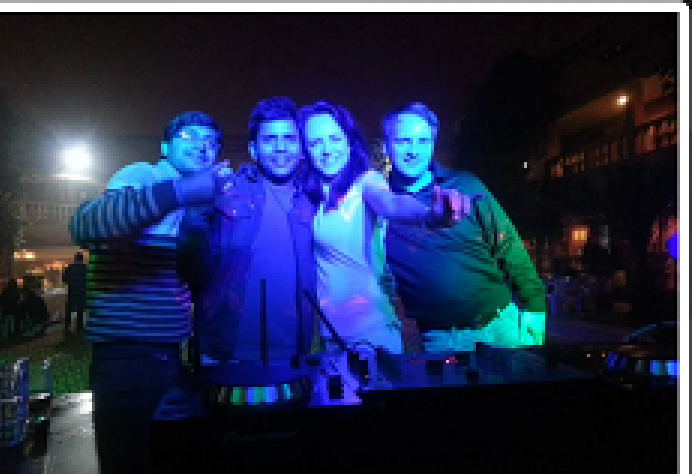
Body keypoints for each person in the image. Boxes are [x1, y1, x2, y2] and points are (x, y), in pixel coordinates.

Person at [69, 111, 227, 474]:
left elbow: (196, 279)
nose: (202, 145)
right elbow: (86, 224)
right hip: (125, 360)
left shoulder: (197, 207)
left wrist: (201, 221)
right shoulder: (143, 175)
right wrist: (181, 190)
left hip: (170, 359)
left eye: (211, 140)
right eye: (189, 136)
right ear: (165, 147)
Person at [298, 101, 469, 354]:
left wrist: (429, 214)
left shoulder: (365, 182)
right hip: (329, 337)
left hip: (371, 336)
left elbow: (390, 203)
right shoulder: (310, 196)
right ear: (305, 150)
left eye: (334, 138)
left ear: (349, 141)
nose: (327, 150)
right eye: (315, 142)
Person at [178, 97, 319, 393]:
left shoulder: (313, 200)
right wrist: (195, 215)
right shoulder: (226, 191)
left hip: (294, 356)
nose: (280, 148)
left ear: (301, 148)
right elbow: (193, 271)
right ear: (253, 150)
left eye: (289, 139)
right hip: (224, 354)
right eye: (269, 140)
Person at [381, 102, 547, 353]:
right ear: (386, 146)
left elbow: (509, 246)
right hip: (438, 341)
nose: (413, 150)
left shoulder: (466, 185)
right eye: (403, 141)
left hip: (500, 329)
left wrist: (535, 310)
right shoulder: (380, 207)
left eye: (423, 141)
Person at [62, 251, 87, 336]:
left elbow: (64, 279)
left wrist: (71, 282)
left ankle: (67, 325)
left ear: (75, 259)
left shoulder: (69, 268)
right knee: (80, 310)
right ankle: (79, 327)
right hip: (82, 292)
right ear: (82, 259)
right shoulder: (86, 268)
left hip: (72, 291)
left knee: (69, 308)